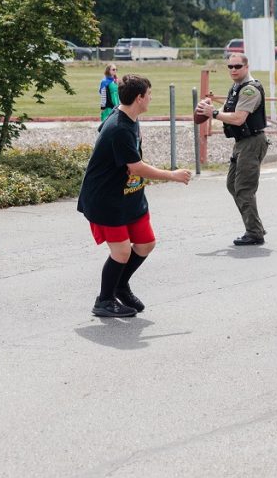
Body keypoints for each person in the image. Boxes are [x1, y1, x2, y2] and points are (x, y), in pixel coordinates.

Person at [77, 73, 191, 317]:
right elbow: (135, 167)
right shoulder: (119, 127)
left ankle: (120, 286)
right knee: (121, 252)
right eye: (149, 94)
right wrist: (173, 175)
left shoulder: (130, 117)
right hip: (106, 199)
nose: (151, 98)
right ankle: (104, 301)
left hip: (130, 195)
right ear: (139, 98)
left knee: (146, 243)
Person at [195, 53, 269, 246]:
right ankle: (255, 226)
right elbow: (230, 112)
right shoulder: (236, 88)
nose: (233, 70)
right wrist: (209, 106)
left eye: (237, 66)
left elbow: (238, 118)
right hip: (241, 142)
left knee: (244, 189)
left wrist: (214, 113)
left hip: (252, 142)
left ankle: (254, 232)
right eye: (230, 67)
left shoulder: (250, 90)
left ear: (246, 66)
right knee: (232, 185)